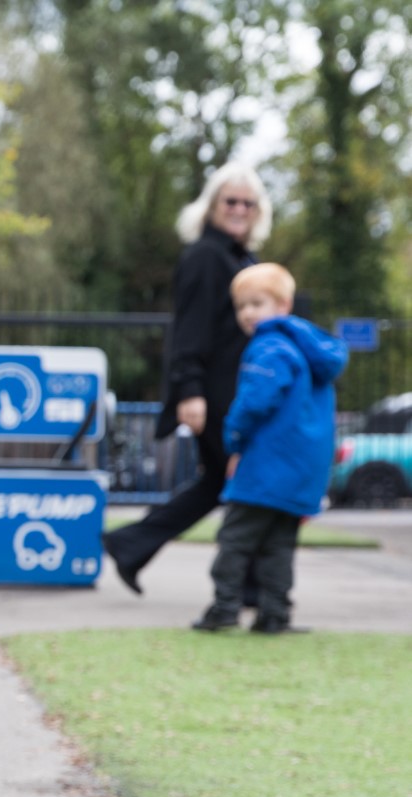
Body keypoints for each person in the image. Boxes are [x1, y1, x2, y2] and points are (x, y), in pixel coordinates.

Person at [102, 162, 271, 594]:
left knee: (221, 480)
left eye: (247, 203)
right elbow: (189, 330)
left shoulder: (240, 257)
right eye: (230, 201)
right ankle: (248, 584)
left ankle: (130, 543)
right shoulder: (205, 256)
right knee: (244, 478)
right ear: (212, 206)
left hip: (236, 391)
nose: (239, 209)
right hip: (215, 396)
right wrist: (191, 391)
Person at [192, 264, 346, 634]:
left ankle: (225, 607)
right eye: (241, 306)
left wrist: (234, 441)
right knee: (278, 544)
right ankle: (274, 614)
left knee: (236, 538)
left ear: (283, 304)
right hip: (302, 468)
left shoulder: (269, 346)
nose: (247, 313)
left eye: (256, 303)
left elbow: (255, 403)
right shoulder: (309, 350)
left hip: (267, 464)